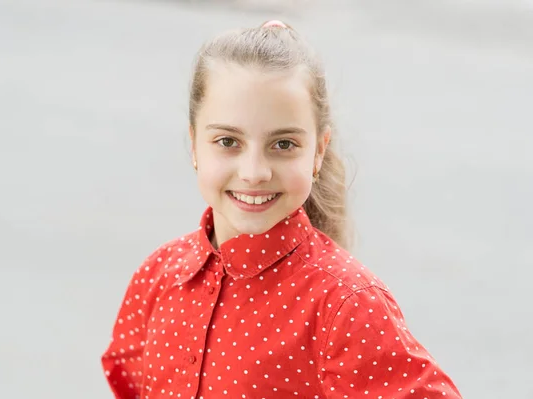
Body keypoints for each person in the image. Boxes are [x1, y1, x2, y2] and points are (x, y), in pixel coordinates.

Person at [101, 20, 462, 399]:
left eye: (284, 144)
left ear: (318, 150)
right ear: (194, 144)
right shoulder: (158, 277)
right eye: (228, 141)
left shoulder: (346, 305)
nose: (254, 172)